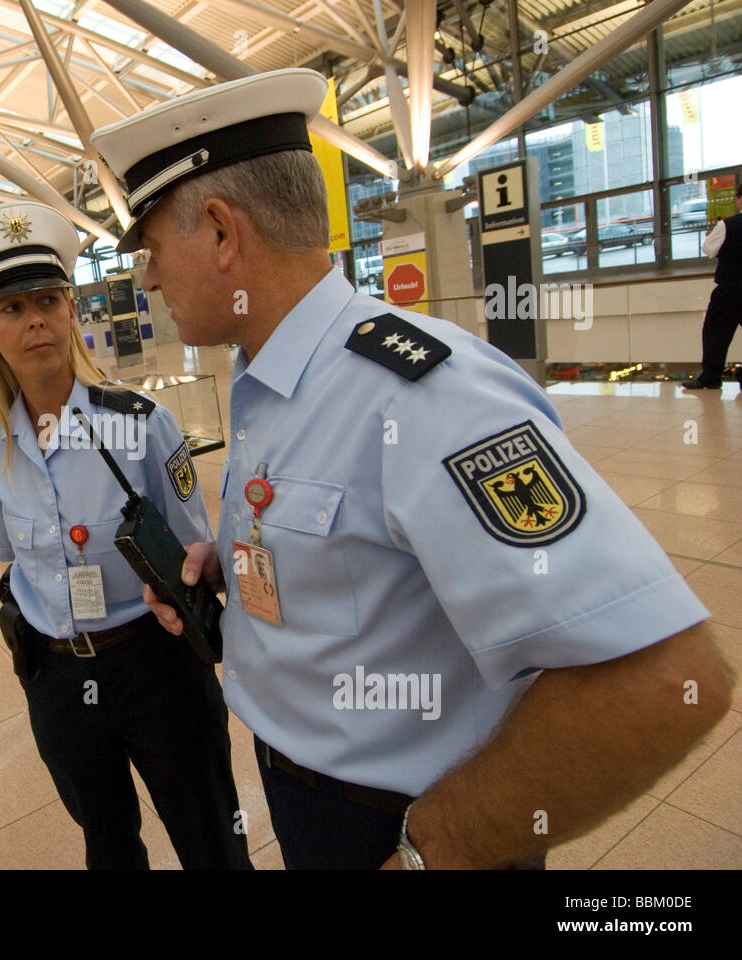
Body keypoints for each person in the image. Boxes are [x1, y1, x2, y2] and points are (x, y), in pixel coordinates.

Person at [91, 68, 733, 870]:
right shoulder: (270, 380)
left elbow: (666, 680)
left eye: (150, 248)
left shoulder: (423, 396)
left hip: (404, 828)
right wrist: (238, 568)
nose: (145, 277)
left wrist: (433, 849)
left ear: (222, 233)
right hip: (309, 799)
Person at [0, 199, 252, 870]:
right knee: (108, 848)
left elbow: (193, 554)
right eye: (12, 309)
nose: (34, 322)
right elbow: (13, 560)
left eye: (48, 301)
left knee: (212, 842)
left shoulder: (141, 424)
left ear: (71, 312)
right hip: (57, 679)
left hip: (156, 667)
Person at [682, 181, 742, 389]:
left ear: (739, 199)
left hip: (730, 288)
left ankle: (711, 376)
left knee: (716, 333)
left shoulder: (728, 225)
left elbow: (708, 248)